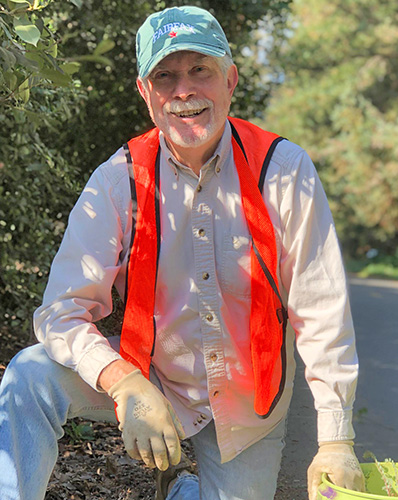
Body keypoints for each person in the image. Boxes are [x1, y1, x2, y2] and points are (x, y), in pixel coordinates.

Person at [0, 5, 365, 500]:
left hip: (248, 402)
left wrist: (336, 440)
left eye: (200, 71)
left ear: (230, 80)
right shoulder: (118, 180)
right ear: (145, 92)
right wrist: (123, 381)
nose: (184, 90)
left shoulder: (283, 170)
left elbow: (322, 311)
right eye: (165, 76)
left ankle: (179, 488)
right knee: (29, 375)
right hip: (150, 379)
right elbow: (60, 312)